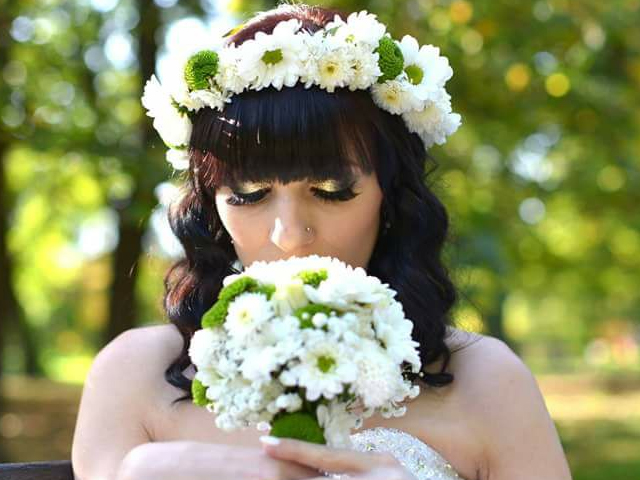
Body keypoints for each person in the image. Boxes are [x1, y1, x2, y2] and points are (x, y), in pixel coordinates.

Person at [71, 4, 573, 480]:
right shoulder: (137, 375)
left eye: (332, 191)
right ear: (210, 207)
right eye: (249, 195)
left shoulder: (486, 380)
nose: (289, 236)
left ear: (393, 198)